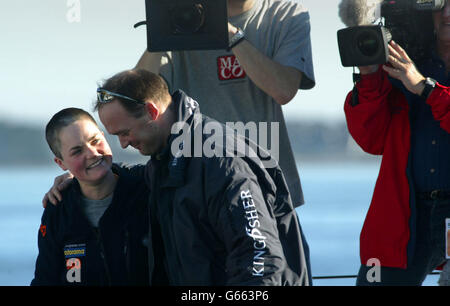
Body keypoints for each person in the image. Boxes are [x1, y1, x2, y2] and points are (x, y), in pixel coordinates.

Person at [89, 68, 309, 285]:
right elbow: (145, 176)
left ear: (151, 111)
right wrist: (91, 175)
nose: (123, 143)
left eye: (124, 132)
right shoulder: (169, 157)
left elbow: (260, 259)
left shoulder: (221, 162)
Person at [135, 0, 315, 209]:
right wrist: (162, 32)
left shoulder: (285, 14)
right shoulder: (185, 14)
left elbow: (283, 90)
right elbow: (139, 99)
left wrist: (230, 34)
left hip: (265, 184)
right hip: (197, 190)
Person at [344, 3, 450, 285]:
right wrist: (369, 76)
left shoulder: (412, 73)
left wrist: (425, 88)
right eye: (441, 5)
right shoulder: (403, 65)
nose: (448, 14)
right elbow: (371, 140)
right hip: (403, 212)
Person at [31, 108, 150, 286]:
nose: (92, 153)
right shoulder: (58, 210)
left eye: (95, 141)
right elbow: (45, 280)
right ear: (61, 163)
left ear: (104, 136)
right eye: (77, 151)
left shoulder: (145, 188)